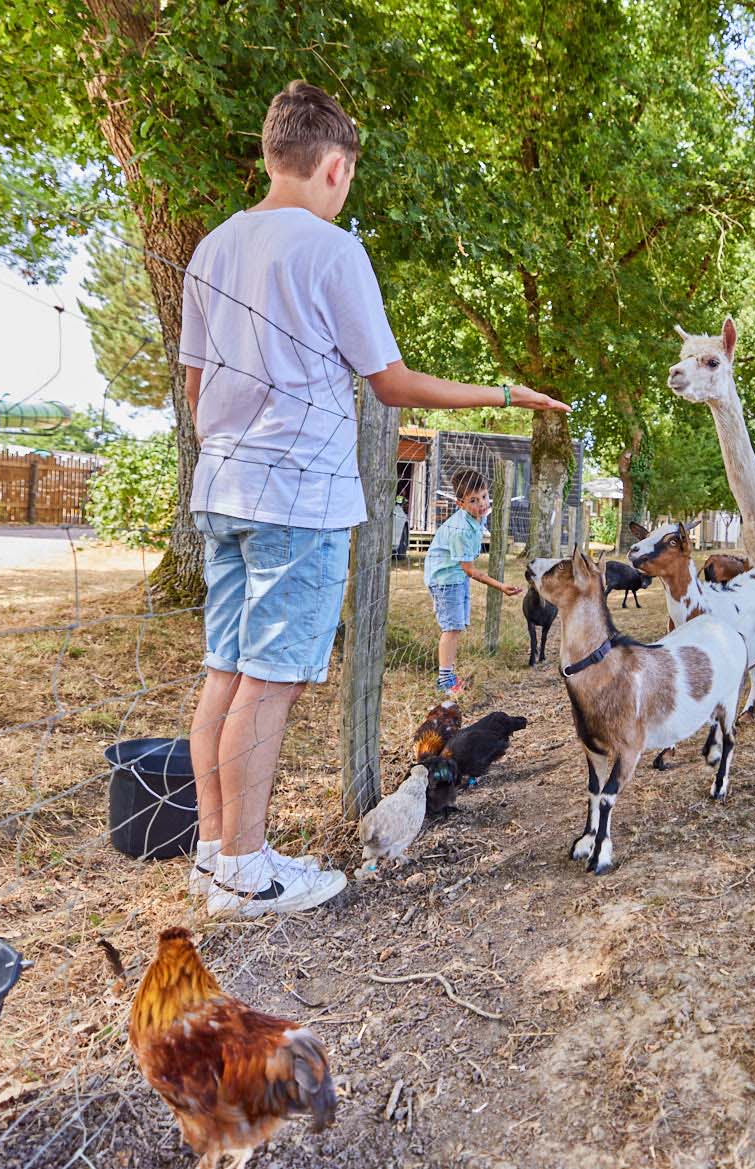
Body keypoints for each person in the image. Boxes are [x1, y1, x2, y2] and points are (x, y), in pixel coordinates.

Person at [180, 81, 567, 918]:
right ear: (331, 166)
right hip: (299, 494)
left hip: (223, 486)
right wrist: (506, 395)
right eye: (347, 176)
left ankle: (212, 851)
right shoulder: (329, 250)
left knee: (224, 669)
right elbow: (390, 385)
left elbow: (196, 385)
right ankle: (246, 870)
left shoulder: (210, 249)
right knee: (270, 681)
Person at [422, 466, 523, 696]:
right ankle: (445, 681)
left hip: (456, 576)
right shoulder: (460, 530)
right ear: (461, 504)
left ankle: (449, 674)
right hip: (445, 578)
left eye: (485, 497)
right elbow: (470, 570)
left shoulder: (477, 516)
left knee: (457, 626)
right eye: (474, 500)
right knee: (452, 628)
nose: (482, 504)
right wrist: (500, 586)